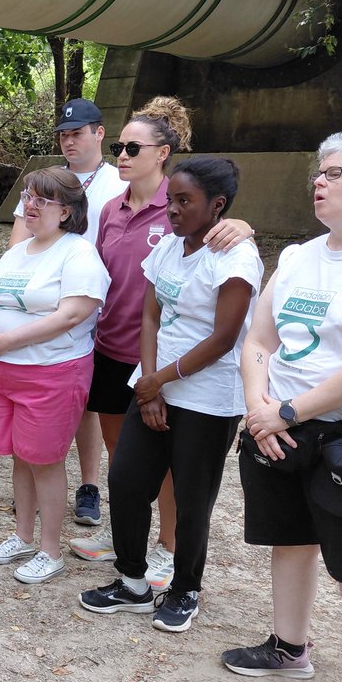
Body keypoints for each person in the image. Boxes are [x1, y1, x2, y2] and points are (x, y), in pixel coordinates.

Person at [223, 133, 342, 682]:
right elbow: (258, 340)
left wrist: (288, 412)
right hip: (280, 428)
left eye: (333, 174)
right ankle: (288, 648)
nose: (318, 183)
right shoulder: (299, 256)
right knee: (290, 541)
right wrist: (259, 408)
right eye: (317, 173)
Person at [69, 97, 251, 592]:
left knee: (184, 483)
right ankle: (132, 559)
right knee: (126, 469)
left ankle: (176, 565)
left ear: (162, 152)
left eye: (132, 146)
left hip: (186, 379)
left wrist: (155, 380)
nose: (121, 154)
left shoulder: (210, 230)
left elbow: (223, 330)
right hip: (125, 357)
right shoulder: (124, 217)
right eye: (118, 146)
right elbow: (132, 296)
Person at [0, 169, 109, 582]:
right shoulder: (18, 251)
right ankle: (23, 535)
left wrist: (9, 341)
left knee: (45, 460)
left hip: (52, 373)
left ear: (65, 211)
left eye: (41, 200)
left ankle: (51, 550)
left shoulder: (78, 253)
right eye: (28, 197)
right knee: (20, 454)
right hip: (4, 372)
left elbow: (72, 314)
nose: (29, 205)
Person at [10, 98, 126, 527]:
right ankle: (43, 483)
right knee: (51, 398)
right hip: (44, 300)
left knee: (89, 402)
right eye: (63, 134)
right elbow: (19, 244)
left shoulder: (118, 181)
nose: (69, 140)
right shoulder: (45, 182)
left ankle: (89, 485)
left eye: (77, 132)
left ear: (99, 133)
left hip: (98, 301)